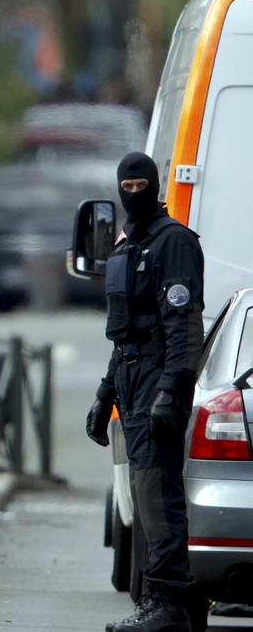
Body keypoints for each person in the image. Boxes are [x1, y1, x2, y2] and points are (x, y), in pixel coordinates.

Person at [86, 151, 205, 632]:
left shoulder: (173, 243)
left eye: (141, 185)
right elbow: (124, 336)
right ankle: (168, 601)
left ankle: (169, 603)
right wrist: (103, 395)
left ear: (154, 186)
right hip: (132, 383)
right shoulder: (124, 247)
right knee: (144, 492)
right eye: (126, 186)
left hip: (158, 380)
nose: (132, 194)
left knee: (158, 495)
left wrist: (171, 391)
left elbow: (183, 327)